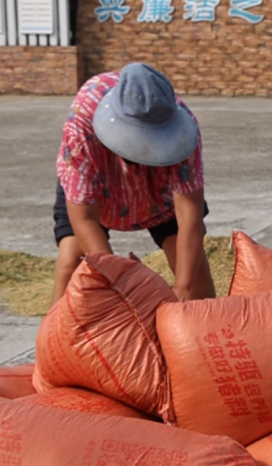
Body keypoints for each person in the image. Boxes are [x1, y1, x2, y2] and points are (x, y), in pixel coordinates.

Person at [51, 62, 216, 304]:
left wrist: (183, 288)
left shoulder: (183, 131)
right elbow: (84, 219)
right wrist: (121, 283)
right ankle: (53, 340)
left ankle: (207, 333)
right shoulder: (82, 122)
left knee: (193, 271)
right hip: (97, 190)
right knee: (71, 264)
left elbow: (190, 216)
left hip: (158, 192)